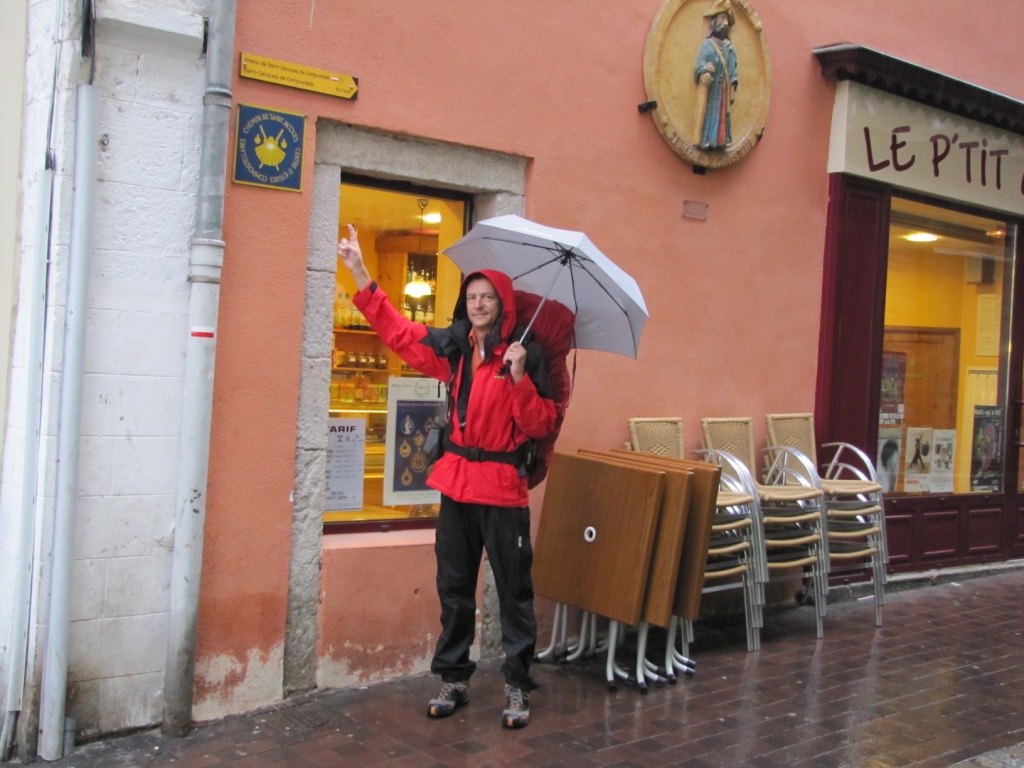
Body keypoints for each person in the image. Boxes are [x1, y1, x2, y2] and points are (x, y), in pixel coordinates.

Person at [337, 224, 557, 729]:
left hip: (503, 490)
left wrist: (520, 378)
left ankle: (517, 684)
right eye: (472, 296)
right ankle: (454, 678)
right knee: (454, 588)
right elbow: (400, 333)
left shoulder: (526, 355)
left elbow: (540, 425)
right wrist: (360, 273)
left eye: (487, 297)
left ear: (502, 304)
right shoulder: (454, 349)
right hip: (458, 484)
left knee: (514, 593)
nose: (478, 304)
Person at [692, 0, 739, 150]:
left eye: (726, 20)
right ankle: (707, 141)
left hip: (724, 89)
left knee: (724, 116)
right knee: (711, 114)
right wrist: (705, 69)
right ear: (714, 21)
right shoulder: (708, 44)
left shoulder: (729, 47)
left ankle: (722, 141)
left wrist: (733, 85)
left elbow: (733, 67)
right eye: (722, 18)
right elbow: (699, 64)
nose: (724, 23)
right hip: (711, 90)